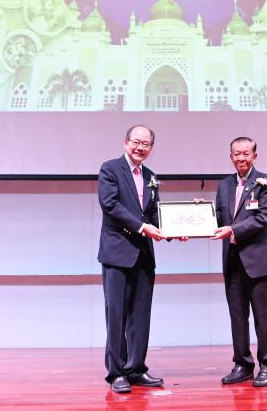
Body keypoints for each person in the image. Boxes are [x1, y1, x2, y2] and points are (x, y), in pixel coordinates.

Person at [97, 125, 166, 393]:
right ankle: (117, 373)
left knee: (140, 315)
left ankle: (136, 368)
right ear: (126, 142)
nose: (140, 148)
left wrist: (174, 230)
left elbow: (154, 214)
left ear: (151, 148)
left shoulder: (151, 176)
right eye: (136, 142)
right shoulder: (110, 169)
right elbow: (110, 205)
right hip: (117, 253)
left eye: (146, 144)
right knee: (116, 315)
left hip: (144, 256)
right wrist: (142, 227)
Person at [212, 137, 267, 387]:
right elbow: (220, 218)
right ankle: (242, 364)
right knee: (237, 316)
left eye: (246, 153)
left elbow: (264, 217)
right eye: (237, 154)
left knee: (264, 317)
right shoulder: (224, 185)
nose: (241, 158)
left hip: (260, 261)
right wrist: (202, 214)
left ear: (254, 156)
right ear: (231, 157)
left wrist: (233, 230)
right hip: (232, 261)